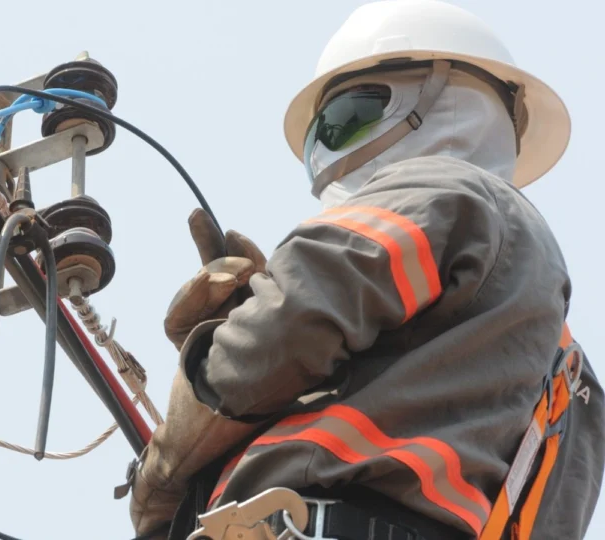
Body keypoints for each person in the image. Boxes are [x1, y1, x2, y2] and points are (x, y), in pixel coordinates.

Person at [125, 1, 604, 539]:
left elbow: (288, 324)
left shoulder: (445, 190)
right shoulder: (568, 378)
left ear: (441, 99)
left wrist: (170, 455)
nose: (331, 152)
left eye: (348, 119)